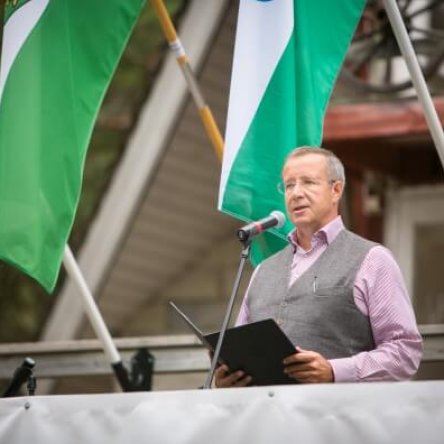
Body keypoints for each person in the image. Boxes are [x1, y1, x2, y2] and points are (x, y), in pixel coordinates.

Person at [215, 147, 423, 387]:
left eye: (308, 182)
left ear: (336, 190)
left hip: (339, 410)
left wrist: (334, 371)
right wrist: (229, 379)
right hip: (268, 410)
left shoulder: (373, 259)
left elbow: (405, 352)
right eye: (289, 185)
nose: (296, 193)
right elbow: (242, 351)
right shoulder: (263, 270)